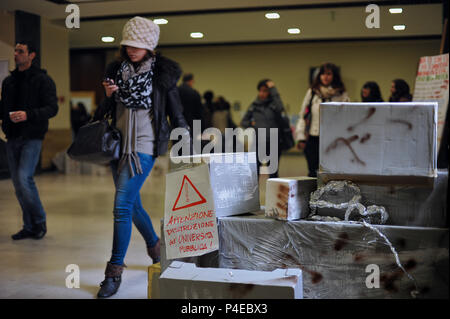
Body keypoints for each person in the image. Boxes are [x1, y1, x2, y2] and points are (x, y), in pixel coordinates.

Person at [93, 16, 189, 298]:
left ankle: (114, 271)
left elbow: (176, 112)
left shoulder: (163, 75)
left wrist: (187, 144)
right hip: (116, 148)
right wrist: (108, 96)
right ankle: (156, 248)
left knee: (121, 205)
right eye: (128, 44)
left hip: (145, 149)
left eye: (138, 45)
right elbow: (103, 113)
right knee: (132, 205)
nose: (132, 50)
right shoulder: (116, 71)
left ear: (150, 46)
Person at [0, 41, 58, 240]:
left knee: (25, 179)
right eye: (15, 51)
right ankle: (29, 226)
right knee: (18, 184)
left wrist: (28, 114)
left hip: (32, 137)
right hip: (12, 137)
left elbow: (52, 108)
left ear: (31, 55)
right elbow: (3, 107)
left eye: (20, 51)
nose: (16, 54)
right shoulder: (9, 81)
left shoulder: (43, 80)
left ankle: (39, 221)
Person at [295, 62, 350, 177]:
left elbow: (346, 118)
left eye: (329, 74)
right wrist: (301, 137)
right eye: (323, 74)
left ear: (334, 76)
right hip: (313, 138)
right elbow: (303, 115)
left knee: (330, 173)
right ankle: (313, 195)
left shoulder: (341, 94)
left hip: (333, 140)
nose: (325, 77)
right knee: (312, 172)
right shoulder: (313, 92)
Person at [241, 79, 286, 178]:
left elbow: (281, 108)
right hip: (258, 143)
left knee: (273, 173)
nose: (262, 93)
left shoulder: (275, 105)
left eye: (265, 91)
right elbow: (243, 121)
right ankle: (254, 194)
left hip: (273, 142)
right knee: (255, 172)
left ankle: (273, 193)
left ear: (270, 92)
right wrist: (253, 125)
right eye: (260, 90)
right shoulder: (254, 106)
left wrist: (273, 89)